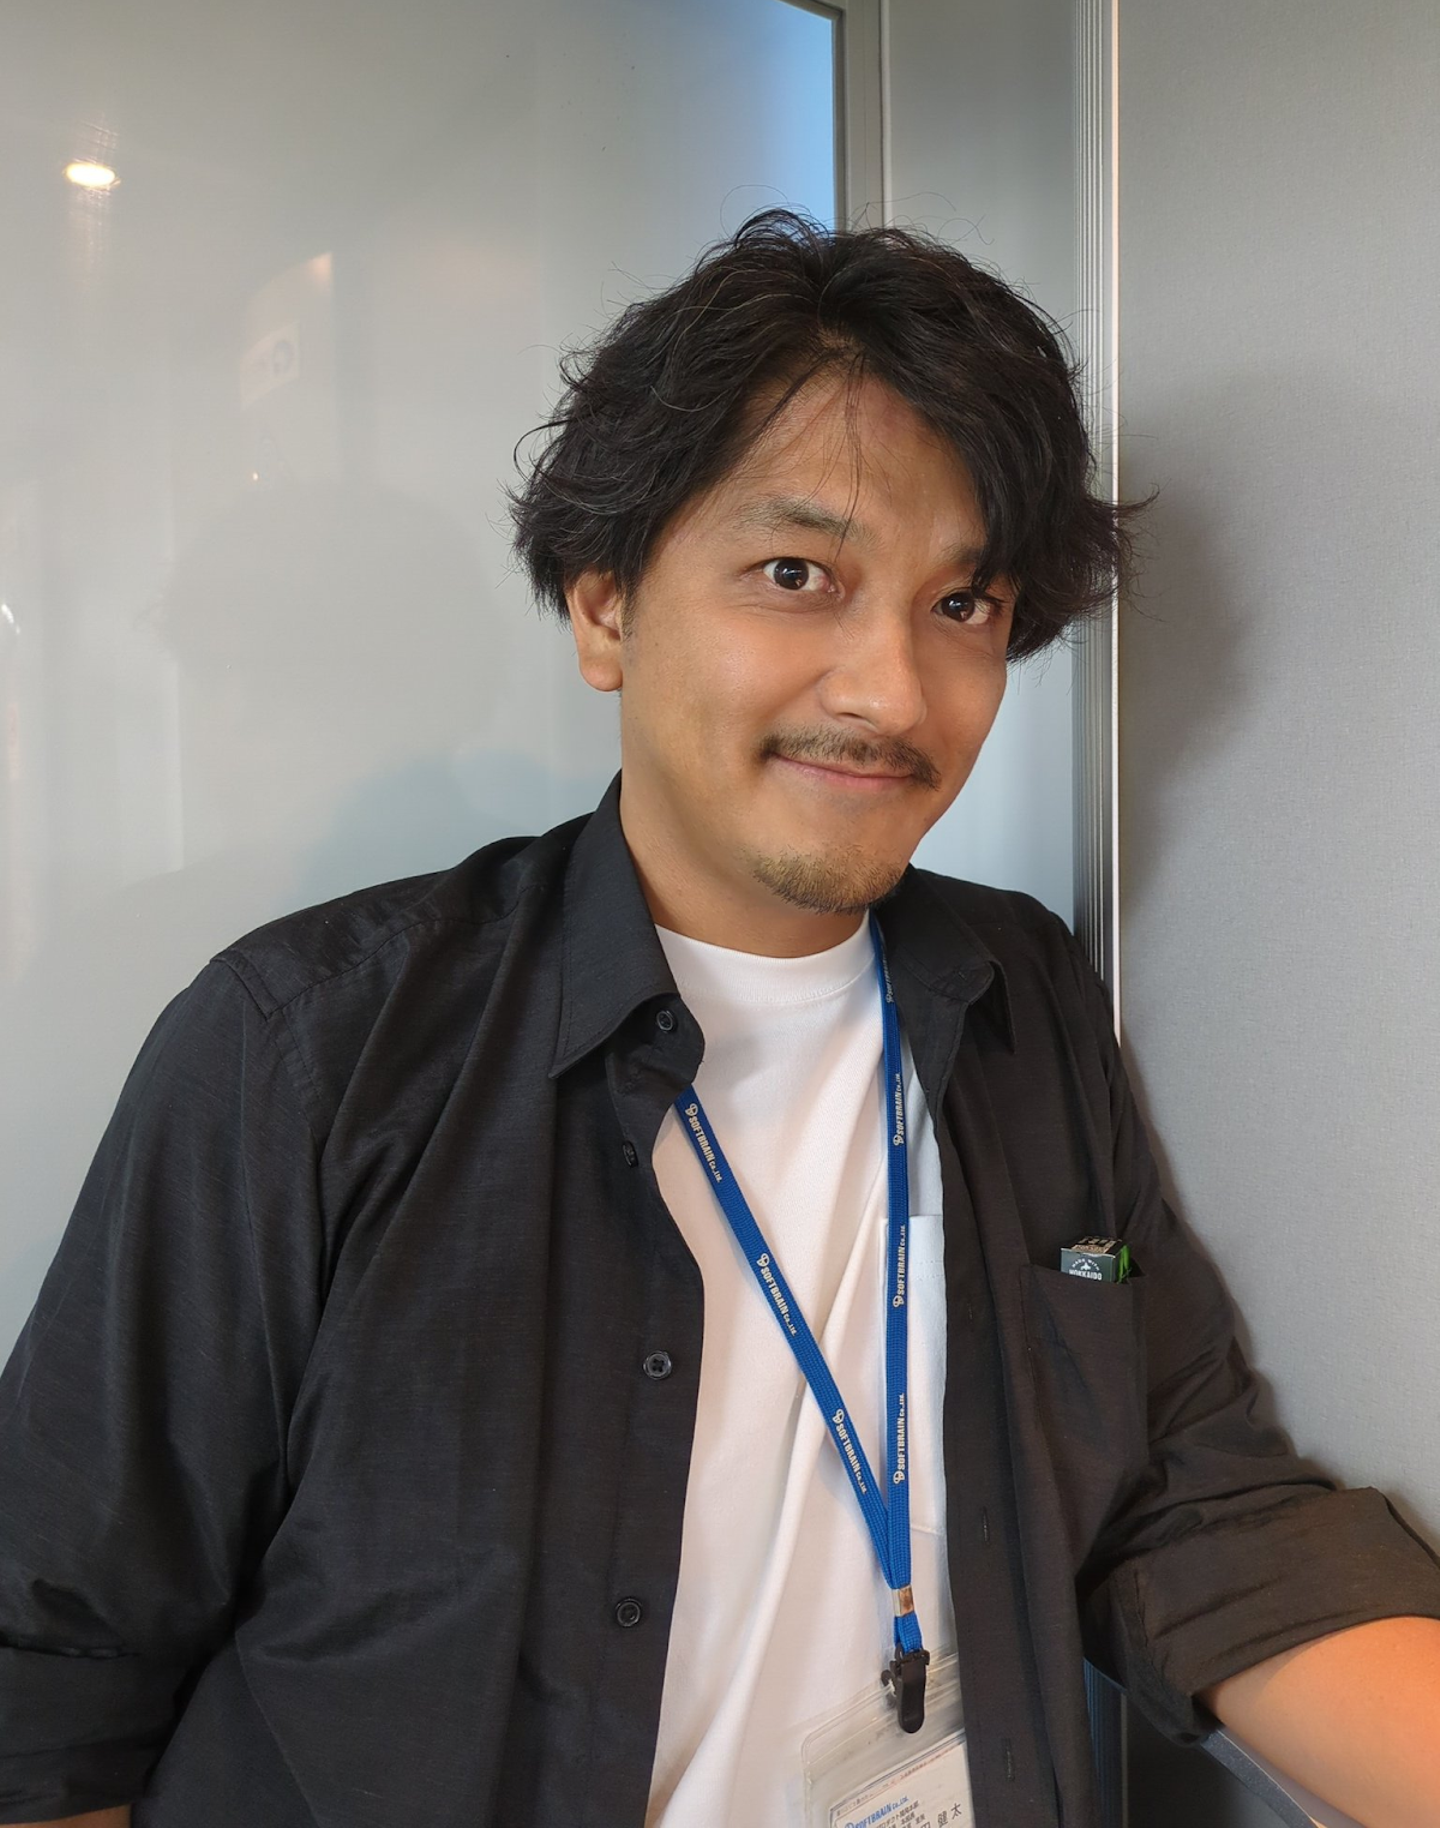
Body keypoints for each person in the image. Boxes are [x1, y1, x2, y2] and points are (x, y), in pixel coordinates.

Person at [2, 210, 1439, 1828]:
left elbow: (1182, 1503)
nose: (891, 692)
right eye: (796, 575)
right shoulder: (311, 1049)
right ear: (606, 606)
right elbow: (52, 1686)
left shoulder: (1019, 996)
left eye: (962, 603)